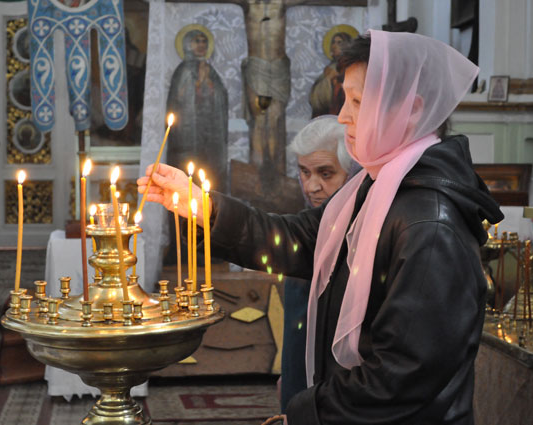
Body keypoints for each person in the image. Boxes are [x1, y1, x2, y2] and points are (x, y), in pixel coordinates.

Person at [138, 30, 503, 424]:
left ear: (411, 110)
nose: (343, 115)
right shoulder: (377, 186)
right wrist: (203, 207)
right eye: (345, 98)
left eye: (358, 101)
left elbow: (402, 378)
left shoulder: (430, 227)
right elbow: (296, 240)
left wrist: (304, 415)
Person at [280, 116, 356, 412]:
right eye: (304, 172)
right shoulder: (308, 227)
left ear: (351, 173)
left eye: (326, 174)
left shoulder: (360, 235)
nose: (312, 186)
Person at [166, 26, 228, 190]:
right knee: (187, 177)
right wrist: (199, 83)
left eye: (204, 42)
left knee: (209, 178)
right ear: (188, 44)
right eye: (197, 41)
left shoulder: (210, 70)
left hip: (209, 136)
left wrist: (208, 83)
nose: (201, 45)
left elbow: (220, 98)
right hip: (187, 136)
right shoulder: (183, 70)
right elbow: (179, 99)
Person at [309, 31, 353, 118]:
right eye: (333, 42)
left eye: (339, 42)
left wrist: (337, 77)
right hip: (325, 113)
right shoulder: (329, 68)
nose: (334, 46)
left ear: (348, 45)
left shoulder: (351, 67)